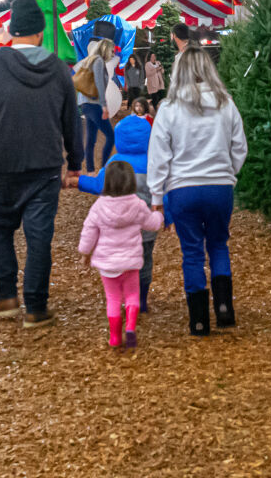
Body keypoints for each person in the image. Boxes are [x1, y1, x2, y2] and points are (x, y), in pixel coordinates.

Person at [0, 3, 84, 329]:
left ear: (10, 31)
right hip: (44, 166)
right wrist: (75, 162)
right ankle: (35, 307)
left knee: (0, 230)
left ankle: (5, 297)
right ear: (40, 32)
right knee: (39, 237)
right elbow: (72, 119)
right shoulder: (58, 69)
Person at [147, 46, 248, 337]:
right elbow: (239, 147)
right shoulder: (226, 103)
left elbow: (159, 156)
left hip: (183, 189)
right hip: (219, 187)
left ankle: (199, 321)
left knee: (192, 252)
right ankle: (225, 309)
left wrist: (156, 198)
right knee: (218, 244)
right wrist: (228, 173)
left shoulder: (169, 108)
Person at [77, 161, 164, 349]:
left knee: (113, 298)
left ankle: (115, 337)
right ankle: (130, 327)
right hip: (131, 262)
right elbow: (152, 224)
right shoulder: (137, 204)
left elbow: (89, 231)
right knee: (132, 295)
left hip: (108, 265)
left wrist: (84, 253)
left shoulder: (99, 206)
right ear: (131, 182)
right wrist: (159, 215)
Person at [111, 107, 160, 311]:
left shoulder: (115, 163)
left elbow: (98, 184)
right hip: (146, 226)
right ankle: (142, 299)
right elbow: (162, 191)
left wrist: (78, 181)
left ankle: (126, 297)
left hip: (122, 226)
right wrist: (169, 217)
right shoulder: (152, 163)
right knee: (145, 260)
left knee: (124, 261)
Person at [75, 34, 118, 174]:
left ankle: (90, 170)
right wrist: (104, 105)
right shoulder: (98, 61)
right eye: (112, 50)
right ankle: (104, 168)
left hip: (85, 104)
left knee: (91, 138)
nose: (113, 53)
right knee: (111, 136)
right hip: (94, 104)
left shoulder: (90, 60)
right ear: (106, 49)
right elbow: (99, 83)